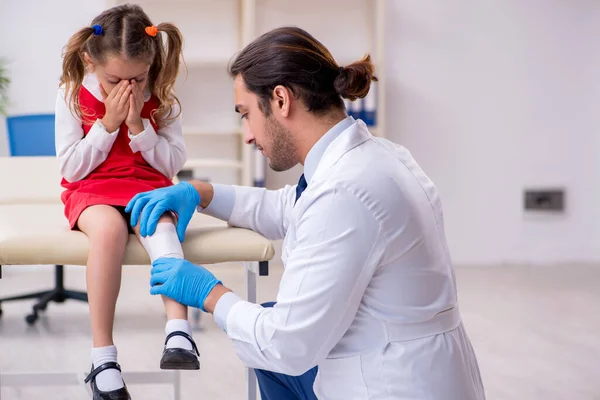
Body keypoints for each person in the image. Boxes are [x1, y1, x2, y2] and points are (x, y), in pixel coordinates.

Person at [127, 26, 486, 400]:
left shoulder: (344, 192)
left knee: (269, 341)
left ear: (281, 100)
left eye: (246, 114)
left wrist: (209, 293)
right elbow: (293, 208)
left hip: (389, 383)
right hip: (417, 363)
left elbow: (287, 345)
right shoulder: (373, 156)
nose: (247, 135)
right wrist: (202, 193)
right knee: (264, 323)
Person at [56, 4, 199, 399]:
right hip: (93, 187)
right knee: (107, 231)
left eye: (136, 78)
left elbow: (173, 162)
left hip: (148, 184)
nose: (126, 88)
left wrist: (139, 125)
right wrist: (107, 126)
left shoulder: (162, 96)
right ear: (90, 60)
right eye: (114, 79)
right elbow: (71, 167)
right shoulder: (72, 94)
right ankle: (103, 357)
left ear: (151, 65)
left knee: (161, 225)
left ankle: (179, 332)